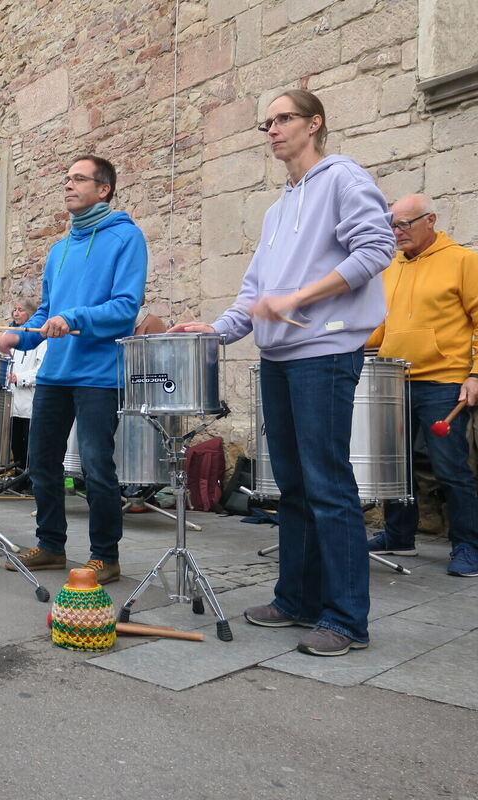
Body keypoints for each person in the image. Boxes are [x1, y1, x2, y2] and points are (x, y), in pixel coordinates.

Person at [171, 89, 395, 657]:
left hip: (324, 354)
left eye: (283, 118)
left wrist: (301, 295)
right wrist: (217, 331)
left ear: (314, 123)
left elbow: (375, 249)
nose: (272, 129)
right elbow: (254, 293)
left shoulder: (343, 177)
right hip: (278, 360)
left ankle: (346, 619)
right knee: (289, 486)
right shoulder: (276, 210)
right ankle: (296, 598)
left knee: (327, 484)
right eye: (266, 122)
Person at [0, 154, 147, 586]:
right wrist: (19, 336)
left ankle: (106, 556)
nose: (68, 185)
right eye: (66, 178)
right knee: (41, 462)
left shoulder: (126, 238)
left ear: (103, 189)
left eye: (78, 179)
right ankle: (50, 545)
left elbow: (124, 309)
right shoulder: (59, 249)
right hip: (55, 375)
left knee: (97, 467)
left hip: (99, 375)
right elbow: (46, 313)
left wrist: (75, 317)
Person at [365, 194, 478, 578]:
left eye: (404, 224)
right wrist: (339, 339)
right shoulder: (390, 266)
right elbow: (382, 326)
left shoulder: (462, 260)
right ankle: (399, 536)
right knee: (395, 466)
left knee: (450, 467)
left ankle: (467, 547)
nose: (396, 232)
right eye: (392, 224)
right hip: (393, 377)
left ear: (431, 220)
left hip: (443, 380)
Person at [8, 299, 46, 481]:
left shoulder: (39, 339)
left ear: (30, 314)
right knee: (16, 443)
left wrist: (20, 378)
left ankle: (30, 479)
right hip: (14, 402)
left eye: (20, 310)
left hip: (30, 401)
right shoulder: (13, 336)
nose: (16, 313)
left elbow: (42, 370)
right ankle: (18, 477)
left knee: (30, 444)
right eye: (14, 310)